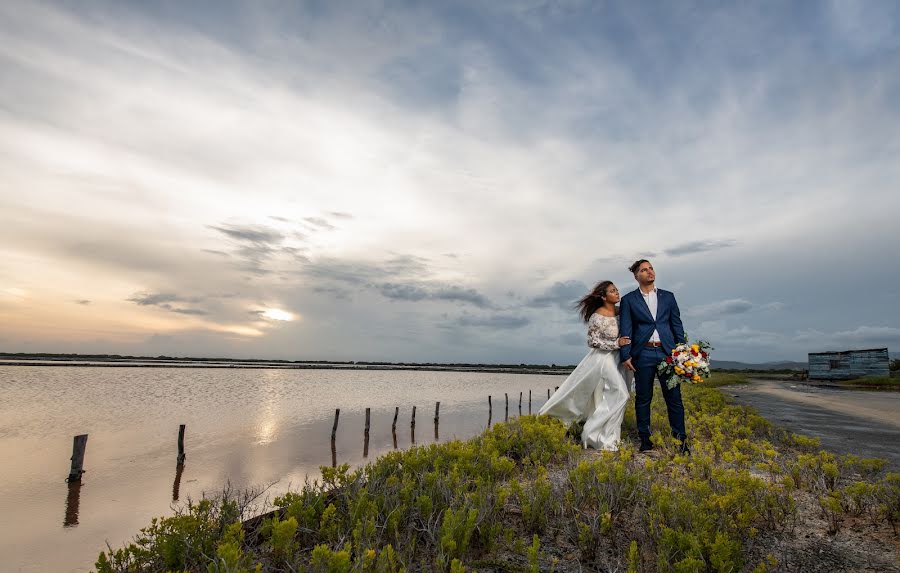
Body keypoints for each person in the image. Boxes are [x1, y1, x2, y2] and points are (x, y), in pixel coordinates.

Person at [539, 280, 633, 450]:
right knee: (621, 393)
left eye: (617, 289)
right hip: (603, 359)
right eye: (612, 291)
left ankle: (609, 436)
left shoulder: (622, 312)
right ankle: (590, 433)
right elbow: (592, 341)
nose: (617, 293)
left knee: (608, 397)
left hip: (619, 359)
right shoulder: (597, 315)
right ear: (603, 296)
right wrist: (616, 343)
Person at [618, 260, 689, 454]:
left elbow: (677, 325)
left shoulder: (668, 297)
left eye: (650, 268)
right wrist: (626, 355)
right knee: (643, 398)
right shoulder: (629, 300)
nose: (649, 272)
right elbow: (626, 329)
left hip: (668, 354)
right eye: (644, 270)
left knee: (674, 398)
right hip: (643, 353)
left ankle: (680, 441)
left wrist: (681, 352)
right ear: (636, 276)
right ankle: (645, 440)